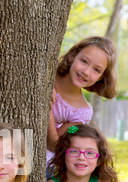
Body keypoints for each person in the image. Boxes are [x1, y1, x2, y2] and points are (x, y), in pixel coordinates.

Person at [47, 36, 117, 168]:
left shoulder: (82, 114)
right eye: (84, 61)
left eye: (96, 70)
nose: (86, 72)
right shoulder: (48, 73)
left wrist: (48, 111)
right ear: (72, 56)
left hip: (43, 160)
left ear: (101, 77)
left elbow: (54, 144)